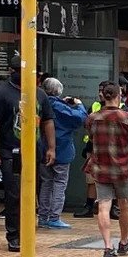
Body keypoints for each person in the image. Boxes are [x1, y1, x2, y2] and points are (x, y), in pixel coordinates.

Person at [0, 59, 56, 252]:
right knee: (14, 194)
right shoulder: (1, 94)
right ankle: (14, 235)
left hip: (34, 152)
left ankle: (28, 232)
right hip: (10, 152)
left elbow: (47, 121)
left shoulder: (39, 94)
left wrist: (51, 148)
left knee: (33, 194)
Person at [83, 82, 128, 257]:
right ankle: (124, 242)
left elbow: (90, 135)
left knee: (103, 205)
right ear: (119, 96)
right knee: (124, 204)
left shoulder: (92, 118)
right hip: (123, 167)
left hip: (100, 166)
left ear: (103, 96)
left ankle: (107, 246)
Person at [40, 78, 86, 230]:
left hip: (43, 148)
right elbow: (80, 118)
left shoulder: (40, 103)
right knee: (59, 183)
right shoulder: (58, 106)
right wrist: (78, 104)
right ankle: (54, 217)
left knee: (46, 183)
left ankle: (43, 216)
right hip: (62, 149)